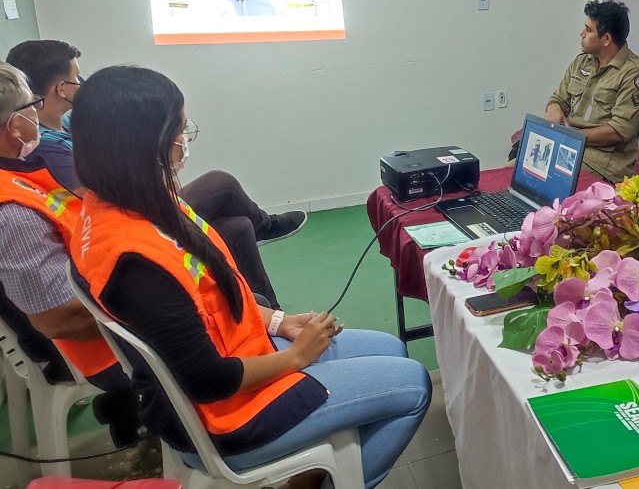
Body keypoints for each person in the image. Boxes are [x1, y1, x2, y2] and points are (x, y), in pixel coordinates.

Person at [69, 66, 430, 489]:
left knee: (392, 348)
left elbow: (207, 298)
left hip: (239, 355)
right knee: (415, 385)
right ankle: (332, 479)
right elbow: (208, 380)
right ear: (143, 144)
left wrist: (279, 322)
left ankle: (318, 469)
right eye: (179, 132)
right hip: (224, 415)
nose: (184, 143)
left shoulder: (131, 202)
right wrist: (296, 357)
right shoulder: (134, 259)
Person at [6, 39, 306, 309]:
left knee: (238, 227)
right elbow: (105, 188)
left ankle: (273, 316)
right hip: (130, 216)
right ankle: (265, 230)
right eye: (76, 78)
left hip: (128, 215)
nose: (80, 85)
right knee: (221, 182)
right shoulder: (45, 150)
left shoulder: (69, 122)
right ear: (61, 88)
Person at [0, 63, 139, 444]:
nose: (37, 113)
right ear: (15, 126)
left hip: (100, 306)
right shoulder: (11, 213)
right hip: (95, 349)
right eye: (32, 105)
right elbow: (57, 320)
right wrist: (153, 308)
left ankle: (130, 411)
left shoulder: (17, 174)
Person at [546, 0, 639, 183]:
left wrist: (570, 137)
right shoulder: (582, 62)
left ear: (606, 39)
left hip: (601, 163)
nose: (581, 34)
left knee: (548, 183)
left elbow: (618, 131)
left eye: (588, 30)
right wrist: (554, 117)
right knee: (513, 170)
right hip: (567, 148)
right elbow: (558, 99)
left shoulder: (636, 75)